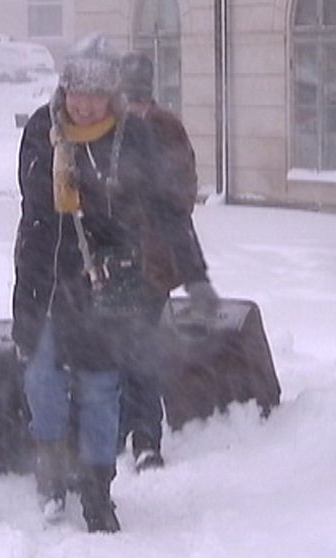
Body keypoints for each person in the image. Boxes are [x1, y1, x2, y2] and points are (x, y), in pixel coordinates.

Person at [11, 35, 216, 533]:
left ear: (112, 95)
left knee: (101, 388)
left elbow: (168, 210)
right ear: (64, 89)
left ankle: (98, 491)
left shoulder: (133, 137)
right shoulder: (44, 129)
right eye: (76, 92)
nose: (84, 104)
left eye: (96, 94)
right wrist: (80, 183)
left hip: (108, 281)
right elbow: (36, 200)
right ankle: (52, 473)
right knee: (43, 379)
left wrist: (196, 276)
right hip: (46, 276)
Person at [116, 50, 217, 471]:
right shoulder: (137, 127)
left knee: (134, 347)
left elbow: (179, 198)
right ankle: (133, 432)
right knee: (125, 347)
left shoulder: (153, 128)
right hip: (123, 259)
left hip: (147, 260)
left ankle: (142, 436)